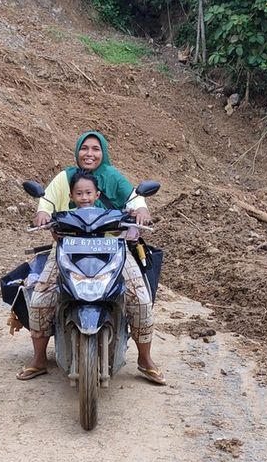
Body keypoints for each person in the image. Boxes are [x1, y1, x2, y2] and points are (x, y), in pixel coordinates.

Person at [16, 131, 165, 385]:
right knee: (41, 297)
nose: (89, 153)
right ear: (77, 151)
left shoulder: (114, 177)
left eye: (96, 149)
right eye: (84, 148)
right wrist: (42, 214)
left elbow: (135, 198)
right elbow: (47, 201)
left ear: (103, 152)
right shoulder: (65, 177)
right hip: (67, 246)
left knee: (139, 297)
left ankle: (145, 359)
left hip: (112, 246)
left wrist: (141, 209)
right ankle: (39, 359)